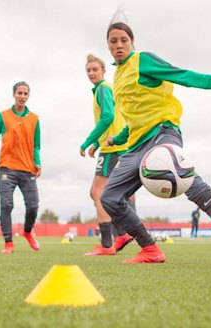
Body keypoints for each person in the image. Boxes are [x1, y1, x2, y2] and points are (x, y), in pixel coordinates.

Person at [100, 21, 211, 263]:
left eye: (123, 40)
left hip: (162, 131)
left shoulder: (143, 60)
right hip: (136, 145)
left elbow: (181, 75)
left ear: (132, 43)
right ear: (108, 46)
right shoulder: (117, 76)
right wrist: (118, 138)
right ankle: (150, 249)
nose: (119, 45)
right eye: (113, 41)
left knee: (172, 164)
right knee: (109, 198)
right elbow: (133, 117)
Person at [80, 54, 135, 256]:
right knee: (111, 194)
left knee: (98, 193)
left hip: (114, 149)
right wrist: (96, 142)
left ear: (103, 70)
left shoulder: (103, 88)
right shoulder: (103, 90)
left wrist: (87, 141)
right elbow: (111, 120)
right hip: (113, 146)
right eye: (88, 70)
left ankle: (108, 244)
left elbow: (108, 117)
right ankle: (121, 234)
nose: (91, 73)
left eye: (95, 69)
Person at [0, 81, 41, 254]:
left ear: (28, 96)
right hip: (7, 168)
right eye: (19, 93)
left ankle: (27, 232)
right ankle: (8, 244)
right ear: (14, 94)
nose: (22, 96)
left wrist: (38, 162)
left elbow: (36, 145)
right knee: (6, 205)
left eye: (25, 93)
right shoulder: (2, 116)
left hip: (28, 169)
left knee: (33, 205)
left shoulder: (34, 119)